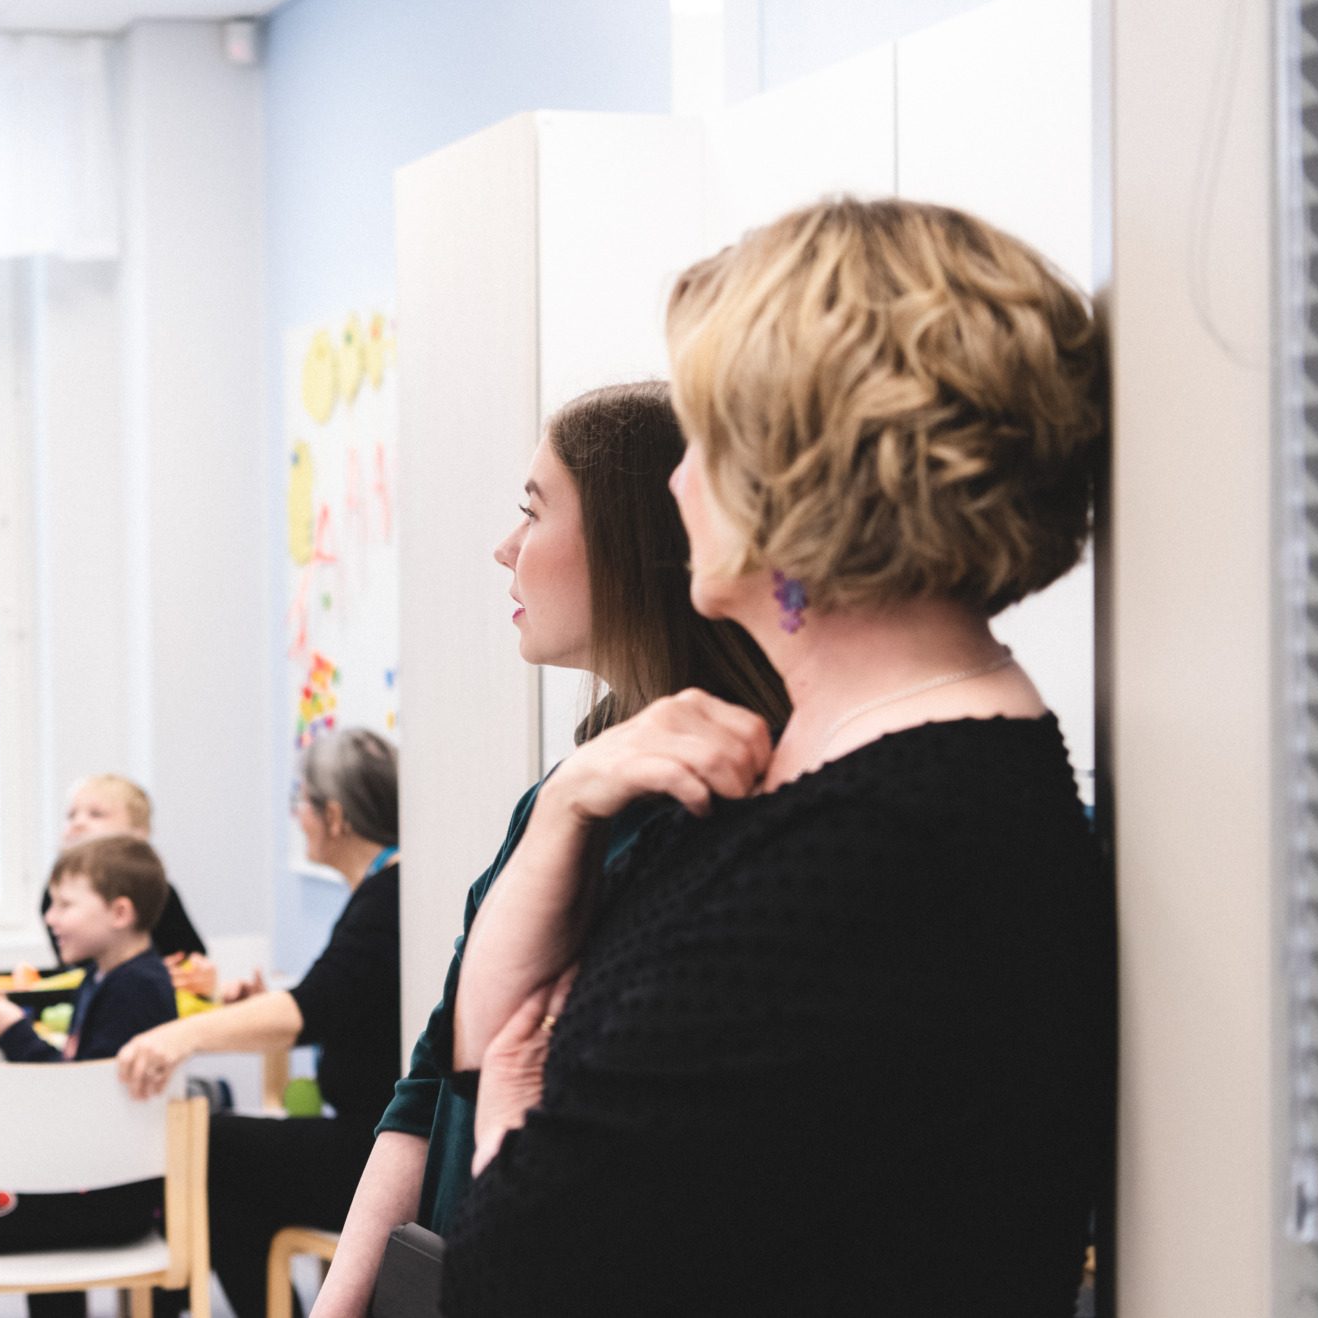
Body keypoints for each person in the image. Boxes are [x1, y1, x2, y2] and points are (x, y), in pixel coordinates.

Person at [443, 198, 1109, 1316]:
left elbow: (518, 1268)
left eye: (705, 443)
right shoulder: (835, 775)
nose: (676, 485)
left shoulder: (887, 843)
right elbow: (491, 1069)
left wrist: (512, 1107)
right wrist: (562, 819)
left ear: (799, 475)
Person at [308, 381, 790, 1318]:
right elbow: (433, 1078)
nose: (506, 547)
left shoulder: (729, 810)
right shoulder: (567, 793)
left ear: (633, 538)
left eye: (533, 511)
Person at [114, 729, 402, 1318]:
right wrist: (266, 1002)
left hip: (378, 1148)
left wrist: (180, 1035)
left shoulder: (387, 896)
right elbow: (344, 1000)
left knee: (209, 1146)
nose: (297, 817)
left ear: (335, 816)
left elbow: (310, 1010)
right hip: (369, 1135)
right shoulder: (384, 890)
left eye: (301, 802)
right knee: (228, 1173)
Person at [0, 835, 183, 1318]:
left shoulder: (135, 988)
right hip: (87, 1176)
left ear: (119, 913)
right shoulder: (103, 977)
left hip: (111, 1192)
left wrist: (13, 1032)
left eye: (65, 905)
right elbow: (78, 1081)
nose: (51, 918)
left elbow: (74, 1100)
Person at [40, 774, 210, 977]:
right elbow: (78, 965)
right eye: (71, 815)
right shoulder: (57, 894)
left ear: (138, 833)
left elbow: (191, 956)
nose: (77, 823)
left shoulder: (160, 891)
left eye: (96, 814)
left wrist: (195, 973)